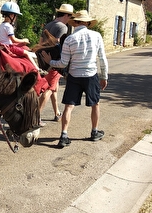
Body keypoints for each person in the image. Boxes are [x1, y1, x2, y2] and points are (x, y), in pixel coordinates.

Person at [41, 10, 108, 148]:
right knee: (95, 104)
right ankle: (94, 132)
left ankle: (64, 135)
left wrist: (50, 62)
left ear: (75, 23)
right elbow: (102, 58)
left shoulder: (69, 39)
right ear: (87, 22)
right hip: (91, 75)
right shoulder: (96, 36)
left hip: (74, 76)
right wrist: (104, 76)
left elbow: (63, 63)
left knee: (69, 106)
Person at [38, 3, 74, 126]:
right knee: (48, 89)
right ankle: (35, 117)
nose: (70, 19)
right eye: (70, 16)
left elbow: (40, 43)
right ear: (66, 15)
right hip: (54, 63)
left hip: (43, 61)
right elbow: (60, 47)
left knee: (54, 88)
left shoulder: (49, 24)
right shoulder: (63, 27)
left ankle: (56, 113)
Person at [0, 1, 39, 69]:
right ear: (11, 15)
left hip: (1, 45)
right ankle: (37, 69)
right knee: (26, 53)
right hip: (8, 47)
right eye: (15, 15)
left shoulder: (2, 24)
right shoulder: (8, 26)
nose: (15, 18)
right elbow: (13, 40)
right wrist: (23, 40)